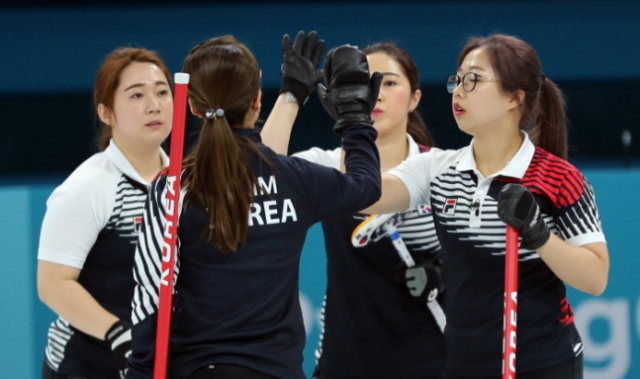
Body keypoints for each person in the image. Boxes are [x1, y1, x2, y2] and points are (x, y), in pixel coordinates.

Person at [126, 35, 383, 379]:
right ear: (258, 100)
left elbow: (152, 295)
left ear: (193, 107)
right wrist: (354, 120)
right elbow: (366, 186)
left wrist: (141, 372)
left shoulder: (174, 189)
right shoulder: (295, 179)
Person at [364, 34, 609, 379]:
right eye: (458, 79)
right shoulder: (437, 169)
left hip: (545, 364)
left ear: (514, 97)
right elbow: (364, 194)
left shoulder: (558, 179)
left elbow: (596, 278)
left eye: (473, 79)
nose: (458, 90)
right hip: (464, 366)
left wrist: (538, 234)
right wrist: (355, 125)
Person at [261, 40, 446, 379]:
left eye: (388, 83)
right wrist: (290, 95)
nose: (374, 94)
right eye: (365, 83)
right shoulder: (325, 167)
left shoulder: (441, 169)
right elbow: (262, 175)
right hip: (343, 365)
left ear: (415, 97)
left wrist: (445, 273)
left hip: (432, 363)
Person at [37, 47, 174, 379]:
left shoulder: (186, 185)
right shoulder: (88, 187)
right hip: (85, 368)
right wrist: (117, 334)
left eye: (162, 92)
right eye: (136, 95)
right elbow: (53, 284)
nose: (153, 104)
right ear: (106, 112)